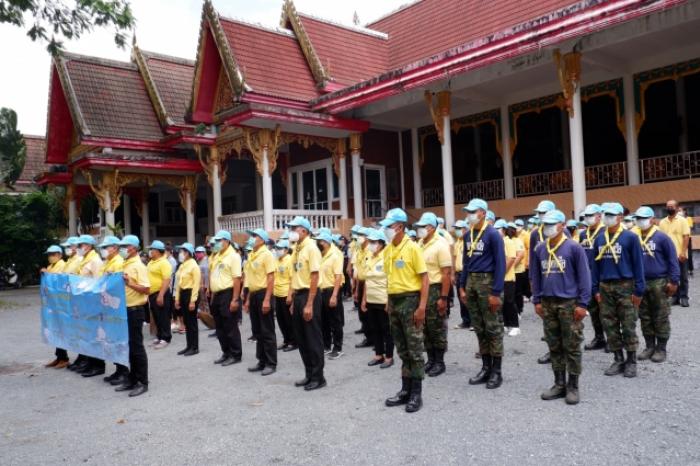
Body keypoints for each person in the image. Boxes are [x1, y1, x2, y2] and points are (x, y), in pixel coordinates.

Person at [530, 210, 590, 405]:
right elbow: (536, 276)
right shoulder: (540, 248)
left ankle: (573, 386)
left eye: (552, 224)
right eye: (545, 224)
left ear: (562, 225)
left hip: (569, 303)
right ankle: (559, 383)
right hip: (548, 303)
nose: (548, 227)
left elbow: (584, 276)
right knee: (554, 344)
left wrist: (582, 304)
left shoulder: (574, 247)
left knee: (572, 345)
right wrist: (537, 301)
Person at [380, 208, 428, 413]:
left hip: (410, 300)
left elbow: (425, 278)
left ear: (400, 227)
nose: (386, 230)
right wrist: (388, 301)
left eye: (389, 226)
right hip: (394, 301)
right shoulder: (388, 249)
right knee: (402, 348)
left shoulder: (413, 248)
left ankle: (416, 393)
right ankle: (405, 389)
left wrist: (422, 307)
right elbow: (390, 278)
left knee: (415, 349)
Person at [592, 202, 645, 378]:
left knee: (628, 324)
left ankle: (631, 361)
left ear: (620, 217)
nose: (607, 218)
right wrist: (595, 289)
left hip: (625, 285)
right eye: (605, 215)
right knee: (609, 324)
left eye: (611, 215)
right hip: (605, 287)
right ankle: (618, 358)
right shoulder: (599, 239)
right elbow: (595, 266)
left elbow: (638, 264)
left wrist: (639, 289)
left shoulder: (630, 238)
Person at [459, 199, 506, 389]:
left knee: (493, 328)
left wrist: (496, 292)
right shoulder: (468, 235)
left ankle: (497, 371)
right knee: (479, 327)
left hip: (488, 283)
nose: (469, 215)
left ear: (483, 213)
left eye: (473, 211)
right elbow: (465, 262)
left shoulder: (493, 234)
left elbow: (501, 264)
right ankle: (486, 367)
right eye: (468, 212)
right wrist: (462, 286)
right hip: (471, 282)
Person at [633, 207, 679, 363]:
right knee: (644, 316)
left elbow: (672, 259)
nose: (641, 221)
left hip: (658, 281)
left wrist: (674, 281)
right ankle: (649, 346)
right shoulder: (634, 237)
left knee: (660, 316)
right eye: (638, 218)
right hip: (640, 282)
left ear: (652, 219)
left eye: (644, 218)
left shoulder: (662, 238)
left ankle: (661, 348)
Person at [286, 216, 325, 390]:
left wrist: (309, 304)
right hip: (299, 296)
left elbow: (314, 276)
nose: (291, 231)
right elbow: (296, 275)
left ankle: (318, 377)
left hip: (310, 295)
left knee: (312, 338)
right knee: (302, 338)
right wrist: (294, 300)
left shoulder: (311, 248)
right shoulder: (297, 248)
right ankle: (309, 374)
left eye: (294, 228)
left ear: (303, 230)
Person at [530, 200, 569, 365]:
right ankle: (552, 350)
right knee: (549, 321)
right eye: (539, 213)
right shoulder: (535, 234)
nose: (541, 216)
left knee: (565, 322)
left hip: (561, 279)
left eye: (544, 213)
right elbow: (533, 259)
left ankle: (566, 351)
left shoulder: (564, 232)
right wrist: (532, 280)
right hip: (544, 278)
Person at [414, 212, 452, 378]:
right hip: (421, 289)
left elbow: (446, 273)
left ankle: (440, 361)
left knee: (436, 327)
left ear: (430, 227)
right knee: (425, 327)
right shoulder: (420, 243)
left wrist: (443, 298)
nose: (419, 229)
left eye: (422, 226)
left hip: (435, 289)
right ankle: (430, 359)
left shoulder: (440, 244)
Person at [113, 235, 150, 397]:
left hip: (135, 310)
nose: (122, 249)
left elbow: (146, 289)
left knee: (137, 347)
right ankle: (132, 379)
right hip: (125, 310)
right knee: (129, 346)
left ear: (134, 248)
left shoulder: (138, 266)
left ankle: (142, 382)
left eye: (125, 246)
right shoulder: (126, 263)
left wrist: (130, 283)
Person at [244, 229, 277, 376]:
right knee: (257, 330)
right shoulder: (252, 254)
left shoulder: (267, 254)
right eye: (252, 236)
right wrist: (248, 300)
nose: (252, 238)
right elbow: (251, 279)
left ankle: (271, 363)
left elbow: (271, 278)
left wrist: (267, 299)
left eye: (255, 236)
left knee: (267, 330)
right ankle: (261, 360)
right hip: (254, 294)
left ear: (262, 240)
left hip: (264, 293)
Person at [209, 230, 243, 366]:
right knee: (220, 327)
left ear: (227, 241)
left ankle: (235, 354)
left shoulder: (233, 256)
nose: (217, 243)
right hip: (217, 294)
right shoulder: (217, 255)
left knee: (230, 326)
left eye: (220, 240)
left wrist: (235, 299)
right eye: (216, 240)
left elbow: (237, 279)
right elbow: (214, 276)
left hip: (228, 294)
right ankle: (226, 352)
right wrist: (212, 294)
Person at [99, 236, 129, 386]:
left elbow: (118, 284)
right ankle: (118, 368)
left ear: (115, 248)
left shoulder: (118, 262)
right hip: (108, 304)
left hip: (116, 305)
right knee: (111, 338)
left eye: (106, 247)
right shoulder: (108, 262)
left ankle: (124, 371)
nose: (104, 250)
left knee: (119, 339)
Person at [362, 229, 393, 368]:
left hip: (383, 299)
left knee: (386, 329)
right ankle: (378, 355)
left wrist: (389, 301)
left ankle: (389, 357)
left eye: (373, 242)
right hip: (371, 298)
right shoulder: (369, 256)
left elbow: (391, 280)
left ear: (381, 243)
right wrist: (364, 299)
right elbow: (367, 280)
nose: (371, 244)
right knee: (375, 328)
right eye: (370, 242)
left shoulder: (387, 256)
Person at [579, 204, 608, 352]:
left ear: (599, 216)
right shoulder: (583, 234)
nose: (588, 218)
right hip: (588, 276)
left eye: (591, 216)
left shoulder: (605, 232)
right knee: (593, 310)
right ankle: (599, 337)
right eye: (586, 216)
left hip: (602, 275)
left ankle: (613, 339)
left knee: (607, 310)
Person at [75, 234, 104, 377]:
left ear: (89, 246)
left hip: (92, 302)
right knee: (87, 334)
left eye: (81, 245)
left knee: (94, 335)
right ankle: (90, 362)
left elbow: (99, 283)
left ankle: (98, 365)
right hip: (84, 301)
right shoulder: (84, 260)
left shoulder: (95, 260)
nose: (79, 248)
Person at [317, 230, 345, 360]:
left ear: (327, 242)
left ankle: (338, 348)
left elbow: (338, 276)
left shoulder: (335, 255)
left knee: (335, 321)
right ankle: (326, 346)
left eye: (321, 241)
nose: (319, 243)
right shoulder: (321, 255)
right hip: (321, 291)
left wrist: (334, 295)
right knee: (324, 321)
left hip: (331, 290)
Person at [658, 200, 690, 307]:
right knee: (671, 278)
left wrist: (683, 252)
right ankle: (675, 297)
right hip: (667, 256)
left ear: (677, 208)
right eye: (668, 206)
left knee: (683, 277)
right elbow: (660, 239)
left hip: (680, 254)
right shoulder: (662, 222)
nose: (669, 208)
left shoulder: (683, 220)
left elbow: (686, 237)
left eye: (672, 206)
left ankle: (684, 297)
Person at [42, 245, 69, 369]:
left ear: (59, 255)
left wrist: (47, 274)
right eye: (49, 254)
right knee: (55, 330)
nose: (50, 257)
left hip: (60, 302)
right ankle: (59, 356)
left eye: (53, 254)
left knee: (61, 330)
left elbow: (59, 282)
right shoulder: (51, 266)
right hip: (52, 302)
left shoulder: (62, 265)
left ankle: (64, 358)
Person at [174, 242, 201, 356]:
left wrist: (192, 301)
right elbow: (178, 283)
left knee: (192, 322)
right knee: (186, 321)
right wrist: (177, 299)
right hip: (183, 293)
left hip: (191, 294)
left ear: (189, 253)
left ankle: (194, 347)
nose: (181, 253)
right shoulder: (182, 265)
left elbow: (196, 284)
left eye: (184, 251)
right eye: (181, 251)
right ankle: (189, 346)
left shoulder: (194, 265)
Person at [146, 240, 173, 350]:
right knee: (156, 316)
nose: (150, 251)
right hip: (152, 294)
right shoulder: (151, 262)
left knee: (163, 316)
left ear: (157, 251)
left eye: (152, 249)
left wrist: (161, 295)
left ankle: (166, 338)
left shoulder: (164, 262)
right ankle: (159, 336)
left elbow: (166, 279)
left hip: (161, 293)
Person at [501, 221, 524, 336]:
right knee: (503, 302)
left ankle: (515, 326)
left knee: (510, 301)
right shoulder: (500, 241)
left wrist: (502, 272)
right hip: (501, 278)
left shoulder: (509, 242)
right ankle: (506, 324)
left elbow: (511, 258)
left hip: (508, 277)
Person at [273, 239, 296, 352]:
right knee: (281, 320)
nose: (277, 250)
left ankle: (293, 341)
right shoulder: (276, 260)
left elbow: (292, 279)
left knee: (288, 320)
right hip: (277, 294)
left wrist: (290, 295)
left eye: (280, 248)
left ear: (286, 250)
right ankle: (286, 340)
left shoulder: (290, 260)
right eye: (276, 248)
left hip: (286, 294)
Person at [353, 227, 373, 348]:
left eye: (362, 235)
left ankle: (372, 337)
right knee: (362, 312)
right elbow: (358, 271)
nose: (359, 237)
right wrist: (356, 289)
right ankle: (368, 336)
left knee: (368, 311)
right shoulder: (359, 250)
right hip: (360, 282)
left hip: (369, 283)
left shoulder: (370, 251)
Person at [452, 220, 471, 330]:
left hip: (467, 272)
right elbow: (454, 259)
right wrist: (453, 273)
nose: (456, 231)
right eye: (456, 229)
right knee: (460, 297)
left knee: (469, 297)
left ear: (465, 229)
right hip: (459, 273)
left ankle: (474, 321)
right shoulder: (457, 243)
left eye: (458, 228)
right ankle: (465, 320)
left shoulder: (469, 241)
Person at [515, 219, 531, 308]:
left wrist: (528, 260)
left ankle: (527, 295)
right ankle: (523, 294)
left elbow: (529, 248)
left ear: (522, 226)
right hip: (518, 261)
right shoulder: (515, 234)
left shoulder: (526, 235)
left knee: (525, 279)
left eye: (519, 225)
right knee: (521, 280)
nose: (517, 227)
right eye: (516, 225)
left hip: (524, 260)